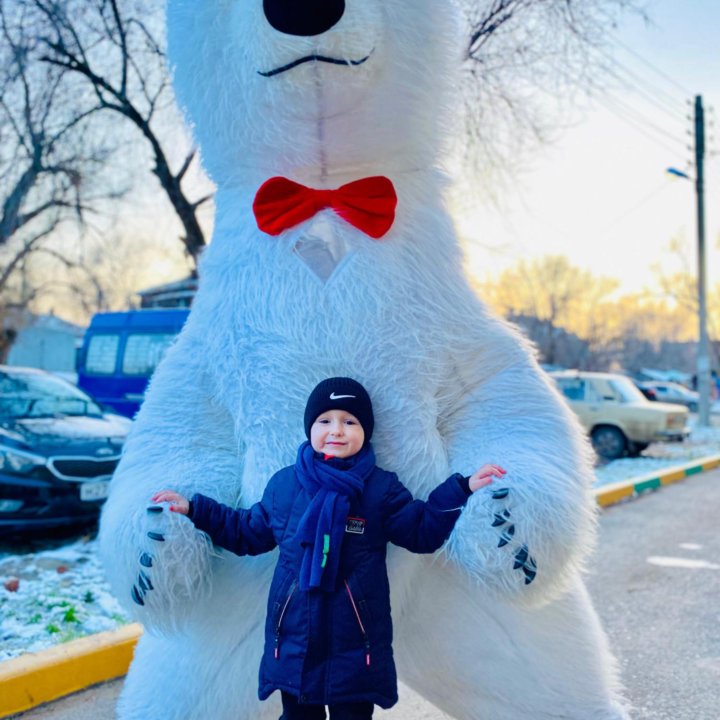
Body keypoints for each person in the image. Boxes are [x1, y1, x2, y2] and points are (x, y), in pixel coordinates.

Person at [151, 377, 506, 720]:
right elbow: (248, 532)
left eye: (349, 421)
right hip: (294, 640)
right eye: (325, 420)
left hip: (355, 646)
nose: (336, 430)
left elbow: (421, 531)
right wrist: (196, 509)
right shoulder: (285, 486)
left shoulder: (380, 489)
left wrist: (462, 489)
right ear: (310, 428)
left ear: (365, 431)